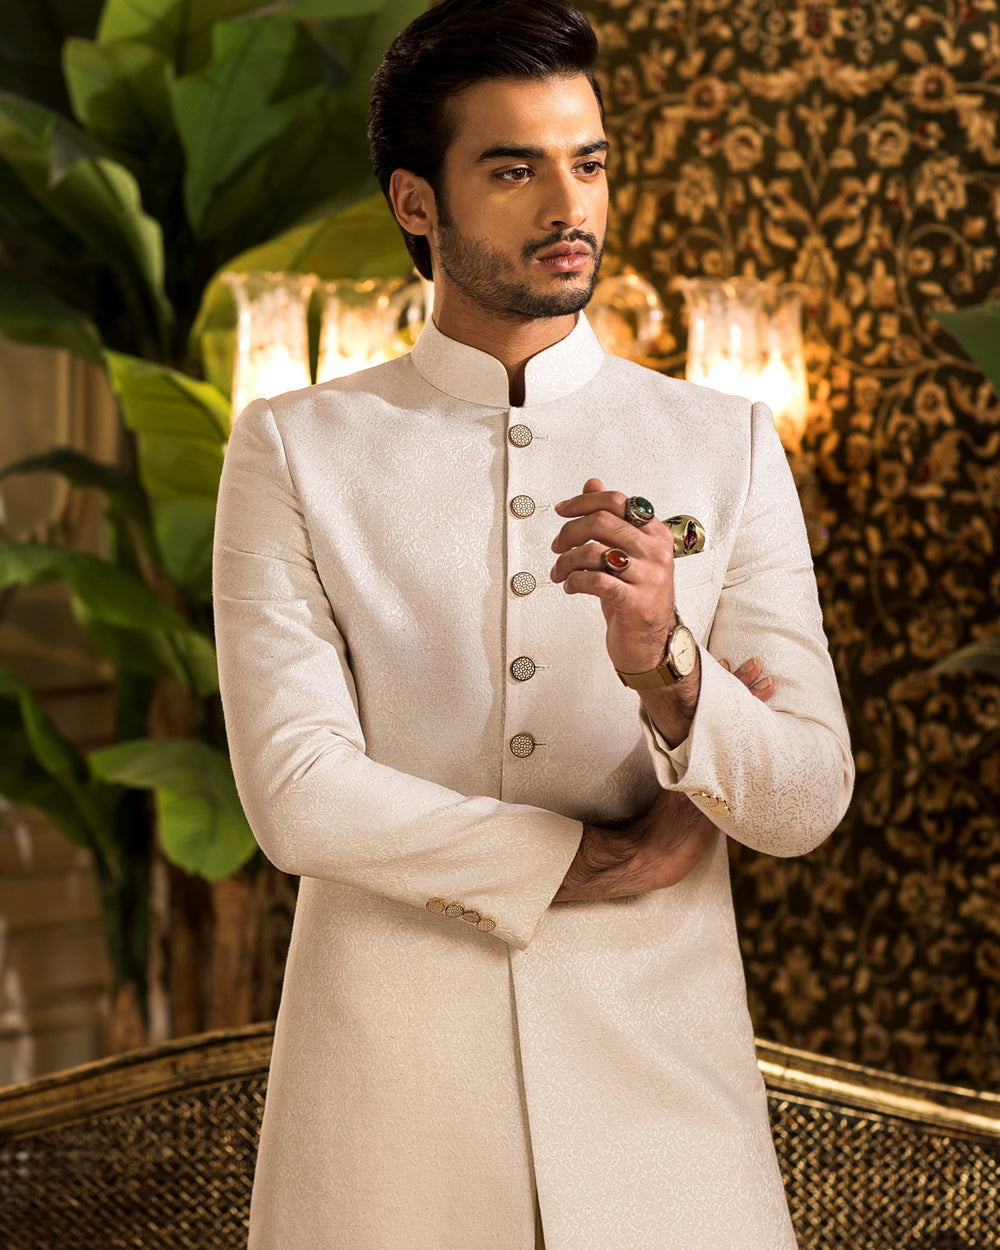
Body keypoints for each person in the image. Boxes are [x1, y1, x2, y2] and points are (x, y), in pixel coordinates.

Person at [212, 1, 854, 1246]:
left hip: (666, 1111)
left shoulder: (723, 443)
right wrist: (578, 858)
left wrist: (672, 674)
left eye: (589, 162)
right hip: (388, 1113)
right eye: (514, 169)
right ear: (416, 202)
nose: (570, 206)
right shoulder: (294, 449)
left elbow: (807, 795)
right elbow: (296, 792)